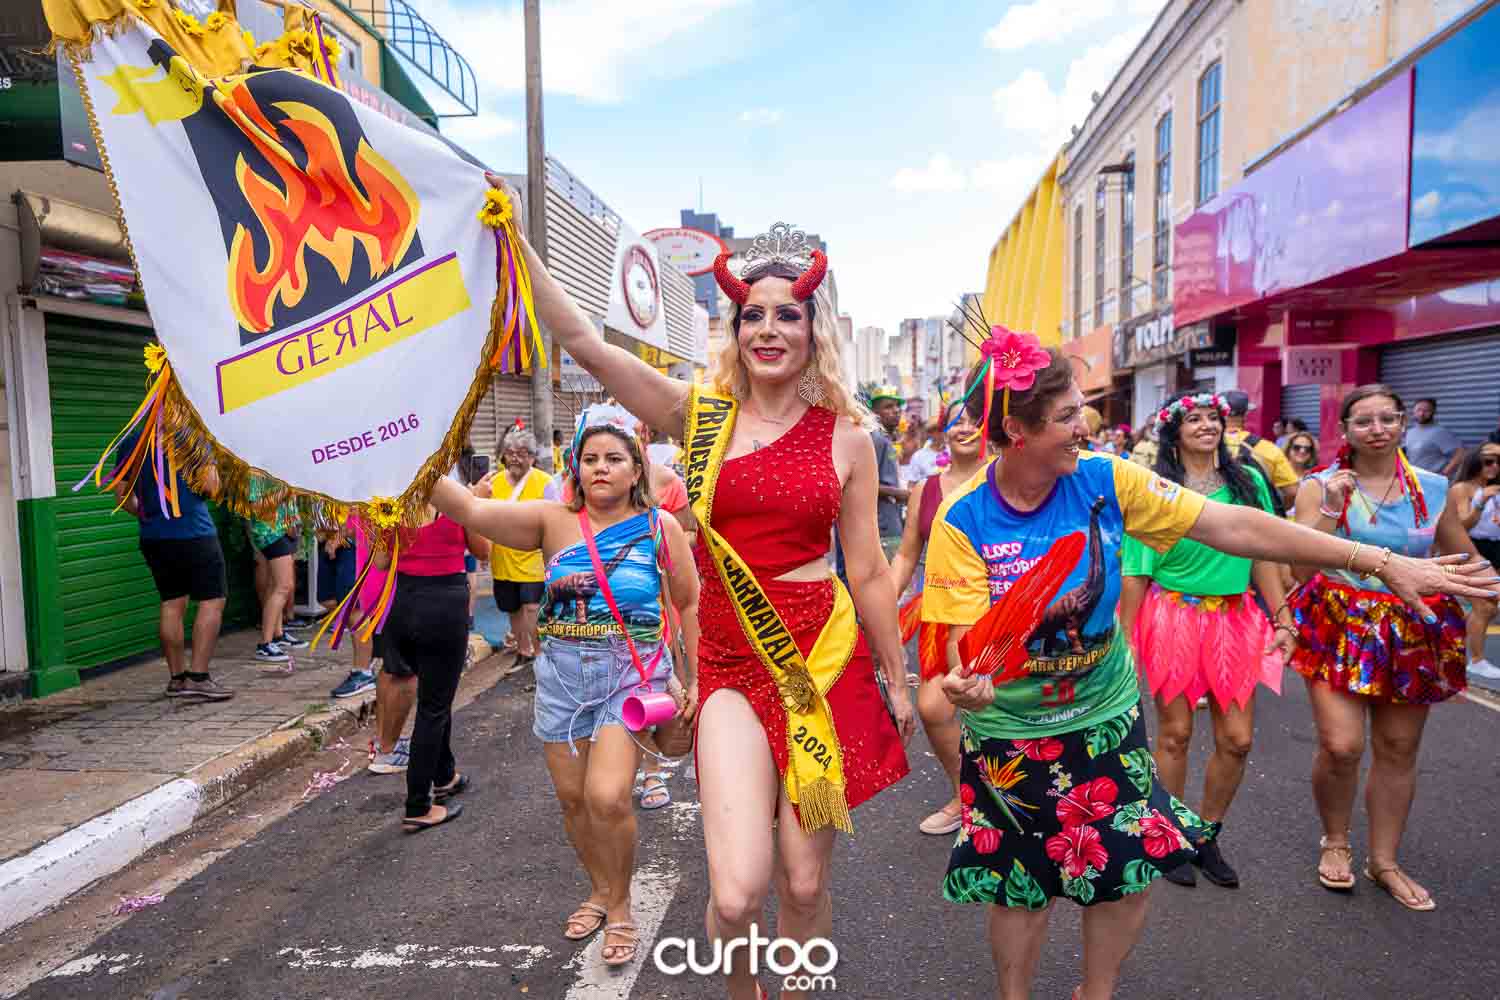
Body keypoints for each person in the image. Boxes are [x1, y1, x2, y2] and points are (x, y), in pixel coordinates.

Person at [922, 334, 1496, 1000]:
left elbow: (1235, 526)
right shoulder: (965, 518)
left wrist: (1380, 561)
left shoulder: (1106, 479)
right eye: (1067, 415)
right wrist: (971, 683)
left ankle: (1096, 993)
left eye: (1081, 408)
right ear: (1016, 432)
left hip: (1104, 720)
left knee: (1125, 874)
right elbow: (966, 644)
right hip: (1014, 735)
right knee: (1022, 889)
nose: (1086, 426)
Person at [488, 177, 912, 1000]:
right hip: (730, 659)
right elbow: (586, 344)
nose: (768, 328)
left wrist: (896, 679)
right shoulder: (701, 415)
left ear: (813, 329)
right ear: (734, 329)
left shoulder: (849, 439)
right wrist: (516, 242)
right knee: (737, 893)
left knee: (803, 885)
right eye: (752, 315)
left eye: (786, 314)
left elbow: (865, 569)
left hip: (819, 662)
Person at [432, 403, 699, 966]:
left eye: (614, 458)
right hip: (561, 679)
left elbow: (689, 602)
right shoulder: (550, 521)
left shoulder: (662, 527)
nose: (601, 467)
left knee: (607, 796)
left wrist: (695, 680)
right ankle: (600, 889)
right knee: (573, 800)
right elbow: (468, 509)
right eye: (590, 458)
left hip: (630, 677)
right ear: (575, 465)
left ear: (637, 468)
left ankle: (621, 907)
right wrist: (407, 462)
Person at [1289, 384, 1496, 911]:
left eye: (1388, 418)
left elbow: (1464, 558)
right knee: (1341, 746)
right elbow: (1300, 569)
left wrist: (1488, 585)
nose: (1377, 430)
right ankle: (1336, 839)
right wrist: (1331, 508)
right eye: (1364, 421)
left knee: (1399, 749)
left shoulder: (1433, 487)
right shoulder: (1320, 485)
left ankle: (1384, 861)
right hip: (1339, 623)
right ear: (1344, 430)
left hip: (1411, 630)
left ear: (1404, 423)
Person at [1118, 393, 1292, 889]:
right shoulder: (1157, 489)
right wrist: (1126, 639)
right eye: (1193, 418)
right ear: (1173, 431)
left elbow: (1263, 552)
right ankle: (1169, 834)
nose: (1206, 425)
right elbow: (1136, 568)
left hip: (1236, 618)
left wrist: (1282, 617)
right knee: (1175, 733)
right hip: (1172, 614)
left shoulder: (1247, 481)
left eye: (1213, 417)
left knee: (1237, 740)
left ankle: (1206, 835)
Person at [888, 408, 988, 835]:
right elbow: (907, 554)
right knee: (933, 707)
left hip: (997, 614)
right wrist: (878, 606)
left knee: (997, 711)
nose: (965, 429)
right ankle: (968, 796)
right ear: (943, 432)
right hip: (941, 611)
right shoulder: (925, 489)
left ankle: (1007, 804)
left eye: (974, 420)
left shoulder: (1006, 477)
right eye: (956, 422)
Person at [370, 496, 490, 832]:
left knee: (435, 694)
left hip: (403, 603)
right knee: (434, 706)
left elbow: (380, 561)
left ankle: (444, 774)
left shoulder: (391, 503)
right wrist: (478, 507)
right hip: (443, 604)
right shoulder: (457, 503)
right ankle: (418, 804)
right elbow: (483, 551)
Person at [111, 430, 232, 701]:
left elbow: (122, 497)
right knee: (212, 600)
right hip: (195, 533)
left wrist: (151, 515)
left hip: (154, 537)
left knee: (172, 603)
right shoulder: (193, 438)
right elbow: (211, 487)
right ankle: (198, 678)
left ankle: (177, 680)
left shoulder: (132, 440)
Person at [491, 425, 551, 662]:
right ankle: (523, 651)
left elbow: (554, 519)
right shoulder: (494, 482)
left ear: (533, 457)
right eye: (510, 453)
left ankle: (540, 654)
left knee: (532, 607)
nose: (515, 458)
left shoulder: (545, 483)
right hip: (502, 559)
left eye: (522, 453)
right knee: (512, 608)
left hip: (533, 558)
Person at [1448, 442, 1500, 679]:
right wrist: (1479, 502)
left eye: (1499, 461)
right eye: (1488, 461)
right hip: (1470, 548)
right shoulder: (1462, 488)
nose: (1494, 466)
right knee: (1484, 605)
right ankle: (1476, 660)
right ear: (1475, 461)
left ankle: (1453, 643)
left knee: (1489, 607)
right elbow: (1460, 526)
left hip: (1496, 548)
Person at [245, 480, 306, 662]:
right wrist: (283, 492)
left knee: (275, 586)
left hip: (284, 531)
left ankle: (277, 635)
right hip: (270, 533)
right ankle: (265, 643)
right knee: (283, 586)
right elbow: (256, 507)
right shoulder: (257, 472)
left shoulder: (280, 470)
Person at [1221, 388, 1299, 508]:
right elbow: (1292, 492)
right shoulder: (1268, 449)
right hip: (1257, 516)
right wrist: (1274, 509)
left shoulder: (1205, 446)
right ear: (1246, 414)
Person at [868, 385, 910, 552]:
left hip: (892, 518)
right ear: (875, 413)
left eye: (897, 406)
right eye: (888, 407)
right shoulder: (876, 440)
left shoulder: (886, 439)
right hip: (882, 526)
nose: (896, 411)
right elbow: (865, 484)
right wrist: (902, 494)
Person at [1404, 397, 1466, 479]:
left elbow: (1460, 453)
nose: (1421, 414)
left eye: (1426, 411)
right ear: (1413, 411)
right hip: (1414, 480)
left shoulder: (1440, 432)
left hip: (1432, 481)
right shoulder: (1410, 432)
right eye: (1419, 410)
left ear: (1433, 412)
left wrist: (1444, 474)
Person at [906, 419, 946, 485]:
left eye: (944, 430)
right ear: (930, 433)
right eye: (939, 431)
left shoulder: (953, 452)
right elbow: (912, 483)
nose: (942, 433)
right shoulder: (918, 456)